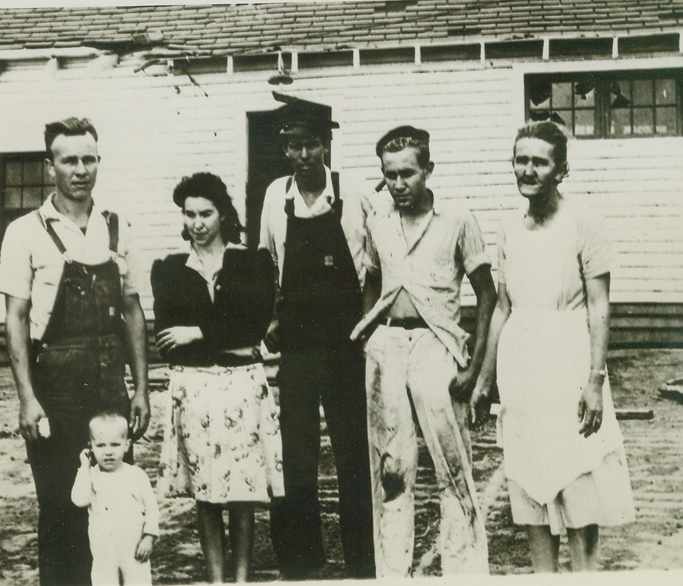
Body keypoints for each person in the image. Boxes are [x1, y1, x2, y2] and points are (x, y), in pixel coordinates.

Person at [469, 120, 636, 572]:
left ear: (560, 170)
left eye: (539, 162)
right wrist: (484, 380)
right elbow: (503, 306)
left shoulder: (584, 222)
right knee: (530, 489)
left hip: (568, 360)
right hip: (522, 371)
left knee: (579, 485)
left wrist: (594, 382)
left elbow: (599, 306)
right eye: (521, 161)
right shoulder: (509, 230)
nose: (528, 170)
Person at [0, 117, 151, 585]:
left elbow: (133, 312)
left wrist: (141, 389)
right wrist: (27, 397)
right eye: (69, 160)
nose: (80, 169)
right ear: (50, 166)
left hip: (109, 387)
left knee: (115, 507)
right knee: (62, 509)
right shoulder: (25, 231)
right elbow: (16, 319)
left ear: (98, 162)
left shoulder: (119, 228)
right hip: (55, 389)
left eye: (89, 159)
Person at [350, 125, 496, 576]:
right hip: (387, 345)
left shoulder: (457, 219)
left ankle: (465, 573)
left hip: (438, 345)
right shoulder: (377, 218)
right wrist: (369, 336)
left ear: (428, 170)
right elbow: (372, 280)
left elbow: (487, 294)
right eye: (389, 175)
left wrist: (473, 368)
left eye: (408, 174)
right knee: (391, 471)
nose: (398, 184)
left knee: (452, 466)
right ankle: (392, 574)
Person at [259, 99, 376, 580]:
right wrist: (269, 318)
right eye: (293, 145)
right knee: (297, 449)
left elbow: (373, 266)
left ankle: (363, 561)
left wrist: (366, 323)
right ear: (285, 148)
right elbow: (267, 261)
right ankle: (301, 562)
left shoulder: (355, 193)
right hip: (300, 339)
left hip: (347, 338)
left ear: (326, 146)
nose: (303, 153)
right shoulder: (274, 196)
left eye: (311, 144)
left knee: (353, 448)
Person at [153, 172, 283, 583]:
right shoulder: (171, 270)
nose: (197, 223)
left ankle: (241, 577)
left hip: (242, 386)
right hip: (194, 389)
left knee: (242, 490)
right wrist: (225, 332)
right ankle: (215, 579)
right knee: (206, 494)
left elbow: (256, 324)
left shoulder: (251, 262)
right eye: (189, 214)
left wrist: (201, 331)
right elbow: (168, 338)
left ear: (223, 214)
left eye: (205, 213)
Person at [71, 410, 160, 585]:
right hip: (103, 547)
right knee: (104, 580)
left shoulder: (136, 475)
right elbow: (79, 500)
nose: (108, 452)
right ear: (91, 447)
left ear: (126, 445)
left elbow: (152, 508)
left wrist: (149, 537)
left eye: (115, 445)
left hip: (133, 545)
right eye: (101, 446)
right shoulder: (92, 475)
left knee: (138, 580)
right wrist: (84, 467)